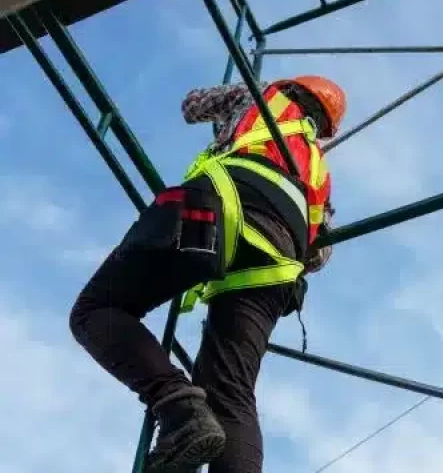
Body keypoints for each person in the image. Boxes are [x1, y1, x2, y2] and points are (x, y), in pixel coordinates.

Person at [68, 75, 345, 473]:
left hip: (217, 210)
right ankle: (194, 418)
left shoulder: (259, 95)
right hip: (276, 262)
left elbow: (191, 106)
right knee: (231, 393)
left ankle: (180, 410)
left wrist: (224, 127)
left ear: (292, 89)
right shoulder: (319, 173)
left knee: (96, 310)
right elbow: (319, 255)